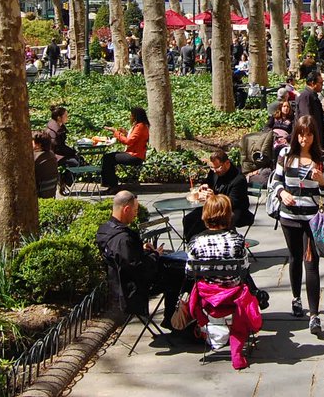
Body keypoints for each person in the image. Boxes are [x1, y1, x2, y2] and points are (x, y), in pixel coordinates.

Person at [268, 115, 324, 335]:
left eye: (309, 134)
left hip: (313, 219)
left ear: (315, 135)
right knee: (294, 258)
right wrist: (282, 192)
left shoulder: (323, 158)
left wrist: (322, 181)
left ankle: (314, 315)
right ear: (296, 135)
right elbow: (275, 181)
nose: (305, 139)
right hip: (289, 217)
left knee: (311, 263)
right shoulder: (285, 155)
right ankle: (296, 299)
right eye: (302, 134)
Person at [184, 194, 260, 371]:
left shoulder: (196, 241)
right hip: (233, 297)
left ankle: (203, 329)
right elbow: (245, 269)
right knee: (245, 288)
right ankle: (238, 348)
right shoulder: (237, 240)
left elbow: (189, 272)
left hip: (207, 298)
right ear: (228, 215)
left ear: (205, 215)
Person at [95, 191, 186, 328]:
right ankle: (172, 319)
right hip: (133, 288)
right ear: (126, 209)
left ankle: (170, 318)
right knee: (180, 277)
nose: (136, 214)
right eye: (135, 210)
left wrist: (141, 248)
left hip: (118, 283)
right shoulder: (123, 239)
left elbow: (125, 257)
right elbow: (139, 268)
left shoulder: (105, 230)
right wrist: (155, 255)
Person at [182, 150, 252, 240]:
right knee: (189, 219)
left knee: (206, 222)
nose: (214, 171)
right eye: (212, 168)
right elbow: (208, 182)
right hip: (213, 207)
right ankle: (191, 245)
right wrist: (204, 186)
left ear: (227, 163)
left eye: (217, 167)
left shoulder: (238, 179)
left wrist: (213, 197)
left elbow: (233, 202)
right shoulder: (215, 172)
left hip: (234, 210)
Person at [101, 107, 149, 192]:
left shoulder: (140, 126)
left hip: (135, 156)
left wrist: (116, 133)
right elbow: (134, 139)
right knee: (108, 157)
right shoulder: (141, 126)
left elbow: (128, 141)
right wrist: (125, 133)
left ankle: (112, 185)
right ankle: (111, 184)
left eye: (131, 115)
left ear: (135, 116)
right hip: (134, 153)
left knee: (107, 158)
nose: (130, 117)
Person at [295, 71, 324, 165]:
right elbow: (305, 120)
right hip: (308, 139)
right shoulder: (305, 96)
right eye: (320, 83)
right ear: (312, 83)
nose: (322, 85)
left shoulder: (312, 95)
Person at [32, 132, 59, 198]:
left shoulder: (35, 158)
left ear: (38, 145)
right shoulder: (51, 155)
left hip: (38, 193)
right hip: (50, 192)